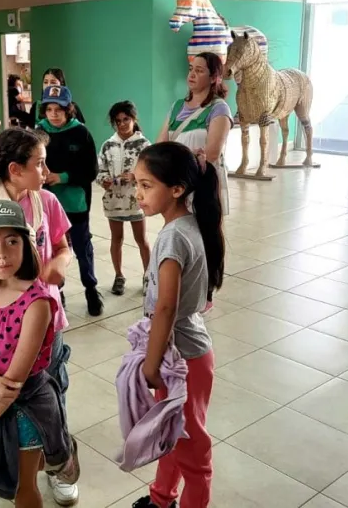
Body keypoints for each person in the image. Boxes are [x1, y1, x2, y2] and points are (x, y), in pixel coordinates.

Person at [0, 127, 79, 506]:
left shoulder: (45, 201)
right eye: (39, 164)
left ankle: (61, 464)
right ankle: (37, 455)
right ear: (14, 168)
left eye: (13, 242)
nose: (1, 253)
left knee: (50, 401)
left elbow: (63, 246)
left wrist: (55, 264)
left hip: (40, 328)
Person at [130, 142, 224, 508]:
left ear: (177, 189)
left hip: (181, 361)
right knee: (171, 434)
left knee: (191, 448)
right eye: (136, 184)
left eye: (146, 185)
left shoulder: (172, 237)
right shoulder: (188, 224)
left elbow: (166, 309)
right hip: (180, 356)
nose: (138, 195)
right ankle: (160, 498)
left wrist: (151, 363)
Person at [37, 85, 104, 317]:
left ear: (69, 110)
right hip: (47, 206)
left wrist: (63, 177)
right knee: (54, 250)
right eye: (49, 109)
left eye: (60, 109)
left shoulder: (81, 133)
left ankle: (91, 289)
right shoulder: (38, 133)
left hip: (76, 205)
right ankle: (59, 290)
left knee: (82, 247)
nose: (54, 114)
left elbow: (91, 170)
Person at [156, 51, 233, 217]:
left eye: (199, 71)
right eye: (191, 69)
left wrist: (177, 160)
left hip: (203, 183)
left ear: (213, 78)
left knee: (204, 234)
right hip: (177, 183)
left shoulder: (219, 109)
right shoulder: (176, 106)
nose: (192, 74)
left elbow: (211, 154)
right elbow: (160, 147)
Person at [98, 101, 151, 296]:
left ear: (134, 119)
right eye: (117, 121)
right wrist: (103, 180)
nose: (122, 124)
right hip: (114, 202)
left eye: (126, 119)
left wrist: (136, 177)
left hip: (136, 201)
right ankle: (119, 276)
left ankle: (148, 276)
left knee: (141, 239)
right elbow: (100, 169)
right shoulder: (107, 145)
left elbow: (153, 172)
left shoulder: (144, 145)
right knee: (116, 239)